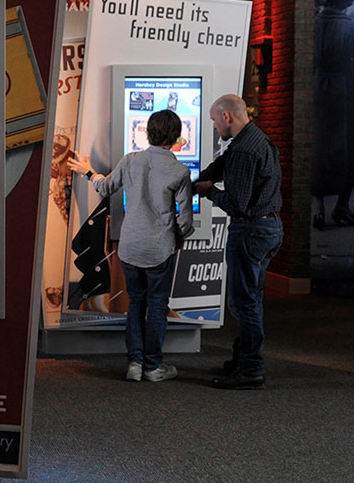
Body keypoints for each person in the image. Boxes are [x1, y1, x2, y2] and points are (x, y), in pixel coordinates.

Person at [68, 109, 195, 383]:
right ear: (176, 137)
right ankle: (153, 366)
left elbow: (105, 187)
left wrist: (87, 171)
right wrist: (177, 239)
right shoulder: (180, 171)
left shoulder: (130, 161)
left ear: (148, 133)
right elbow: (185, 221)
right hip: (160, 249)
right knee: (158, 305)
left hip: (130, 248)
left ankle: (135, 364)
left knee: (136, 303)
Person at [195, 95, 282, 390]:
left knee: (243, 303)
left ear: (227, 117)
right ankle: (244, 358)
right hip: (269, 228)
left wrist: (208, 192)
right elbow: (220, 168)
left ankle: (251, 370)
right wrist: (197, 179)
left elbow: (237, 204)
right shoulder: (255, 139)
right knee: (251, 299)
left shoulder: (244, 150)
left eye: (214, 120)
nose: (214, 125)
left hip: (250, 230)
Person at [312, 0, 354, 228]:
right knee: (346, 149)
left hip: (317, 89)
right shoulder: (349, 27)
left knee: (318, 150)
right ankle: (341, 206)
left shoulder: (315, 24)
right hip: (344, 91)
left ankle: (318, 210)